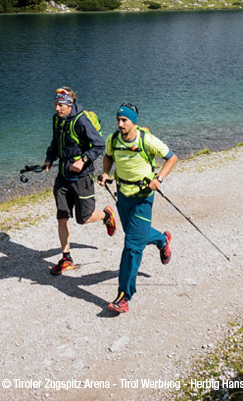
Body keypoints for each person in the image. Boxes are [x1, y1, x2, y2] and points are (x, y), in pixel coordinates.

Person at [97, 102, 177, 314]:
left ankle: (124, 295)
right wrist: (106, 174)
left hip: (143, 198)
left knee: (132, 245)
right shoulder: (113, 140)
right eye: (118, 120)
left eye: (124, 120)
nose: (120, 124)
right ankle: (162, 240)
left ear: (134, 121)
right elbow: (107, 156)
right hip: (123, 196)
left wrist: (159, 178)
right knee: (135, 235)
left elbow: (172, 157)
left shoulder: (146, 139)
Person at [44, 87, 116, 275]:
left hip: (81, 177)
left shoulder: (81, 120)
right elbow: (55, 142)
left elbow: (99, 145)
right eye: (55, 104)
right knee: (62, 216)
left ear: (69, 105)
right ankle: (66, 258)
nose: (57, 108)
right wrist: (49, 158)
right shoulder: (57, 119)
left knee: (83, 218)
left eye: (60, 105)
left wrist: (82, 160)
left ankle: (106, 216)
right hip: (63, 176)